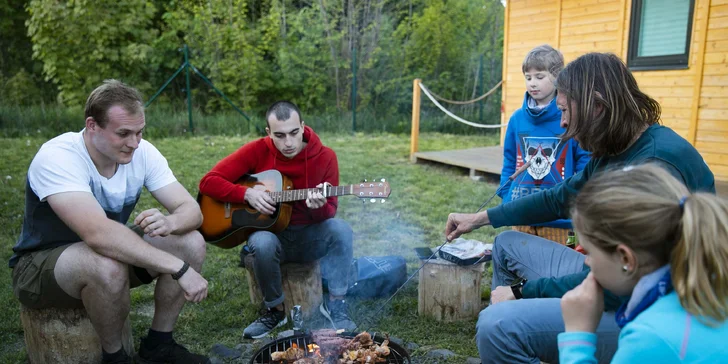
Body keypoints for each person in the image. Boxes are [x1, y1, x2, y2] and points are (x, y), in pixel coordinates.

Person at [444, 53, 716, 363]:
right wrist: (481, 218)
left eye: (563, 110)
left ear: (597, 106)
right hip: (615, 274)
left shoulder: (653, 167)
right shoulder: (615, 146)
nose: (561, 123)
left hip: (647, 308)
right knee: (506, 245)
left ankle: (514, 333)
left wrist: (523, 292)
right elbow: (558, 198)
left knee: (497, 325)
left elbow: (623, 283)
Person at [9, 80, 210, 364]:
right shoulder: (58, 156)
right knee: (106, 265)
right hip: (39, 267)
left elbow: (192, 211)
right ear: (92, 126)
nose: (134, 142)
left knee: (190, 241)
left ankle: (159, 345)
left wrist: (172, 222)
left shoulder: (142, 152)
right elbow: (98, 234)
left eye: (140, 132)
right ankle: (116, 358)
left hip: (103, 256)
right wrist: (178, 268)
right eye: (123, 133)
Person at [198, 101, 355, 339]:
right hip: (272, 238)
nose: (288, 143)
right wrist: (246, 193)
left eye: (294, 133)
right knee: (261, 242)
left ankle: (336, 303)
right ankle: (275, 310)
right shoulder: (257, 150)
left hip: (308, 238)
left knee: (341, 229)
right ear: (268, 133)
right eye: (279, 136)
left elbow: (329, 212)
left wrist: (317, 207)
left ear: (303, 126)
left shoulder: (326, 157)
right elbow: (208, 182)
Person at [559, 164, 728, 362]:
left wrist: (576, 336)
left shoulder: (649, 337)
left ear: (626, 259)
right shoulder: (711, 281)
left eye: (589, 251)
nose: (587, 262)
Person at [499, 44, 590, 245]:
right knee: (518, 267)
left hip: (559, 219)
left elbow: (584, 159)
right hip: (521, 213)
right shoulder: (516, 120)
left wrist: (577, 198)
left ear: (557, 76)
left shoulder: (570, 116)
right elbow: (509, 160)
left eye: (539, 77)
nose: (533, 83)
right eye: (528, 77)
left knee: (557, 269)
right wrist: (507, 197)